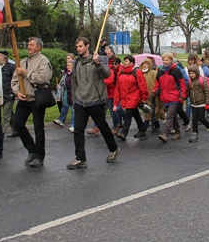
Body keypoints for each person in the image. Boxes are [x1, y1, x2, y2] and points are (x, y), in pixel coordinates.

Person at [67, 37, 119, 169]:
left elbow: (107, 75)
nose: (78, 49)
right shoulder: (77, 62)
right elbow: (74, 82)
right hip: (80, 101)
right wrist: (74, 99)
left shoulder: (98, 59)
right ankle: (80, 159)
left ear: (87, 46)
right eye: (77, 47)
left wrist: (98, 64)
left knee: (103, 127)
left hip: (95, 100)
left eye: (80, 46)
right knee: (78, 130)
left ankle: (113, 149)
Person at [11, 37, 53, 167]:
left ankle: (39, 157)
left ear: (38, 47)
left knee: (38, 128)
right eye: (28, 45)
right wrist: (17, 92)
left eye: (31, 45)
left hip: (36, 99)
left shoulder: (43, 61)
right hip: (24, 99)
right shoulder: (22, 62)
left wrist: (26, 73)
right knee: (17, 124)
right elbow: (14, 80)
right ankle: (31, 150)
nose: (28, 47)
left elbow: (42, 78)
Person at [114, 55, 150, 140]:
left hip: (135, 96)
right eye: (124, 61)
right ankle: (142, 129)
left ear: (131, 63)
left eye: (126, 61)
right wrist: (116, 100)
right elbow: (118, 87)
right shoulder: (121, 72)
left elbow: (142, 85)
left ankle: (124, 132)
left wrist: (144, 97)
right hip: (126, 97)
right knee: (135, 113)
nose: (124, 63)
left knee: (128, 114)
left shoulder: (137, 72)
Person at [154, 52, 187, 143]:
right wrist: (156, 90)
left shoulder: (176, 70)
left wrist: (182, 95)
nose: (165, 62)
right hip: (165, 97)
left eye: (167, 60)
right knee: (173, 115)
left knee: (169, 115)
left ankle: (166, 133)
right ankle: (178, 132)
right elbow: (157, 83)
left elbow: (181, 83)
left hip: (174, 97)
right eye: (164, 60)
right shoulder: (160, 71)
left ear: (171, 60)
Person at [186, 64, 209, 143]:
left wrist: (208, 103)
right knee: (194, 119)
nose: (191, 75)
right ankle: (195, 134)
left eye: (193, 73)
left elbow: (207, 92)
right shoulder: (189, 81)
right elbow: (188, 92)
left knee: (201, 119)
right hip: (193, 103)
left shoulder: (202, 80)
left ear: (196, 73)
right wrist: (182, 97)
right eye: (190, 73)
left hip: (202, 103)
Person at [0, 50, 17, 137]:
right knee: (10, 113)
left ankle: (1, 133)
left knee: (6, 114)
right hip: (1, 94)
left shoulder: (11, 66)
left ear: (3, 57)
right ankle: (16, 129)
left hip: (10, 93)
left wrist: (16, 92)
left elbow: (16, 79)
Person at [54, 57, 75, 132]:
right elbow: (61, 84)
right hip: (67, 93)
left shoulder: (75, 74)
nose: (68, 67)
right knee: (65, 107)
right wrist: (59, 93)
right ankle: (61, 120)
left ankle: (73, 125)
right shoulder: (65, 75)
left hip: (74, 93)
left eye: (70, 65)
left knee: (74, 109)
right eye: (67, 65)